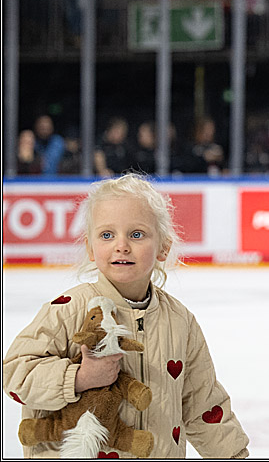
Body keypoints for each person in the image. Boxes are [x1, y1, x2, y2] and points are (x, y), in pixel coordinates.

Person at [2, 173, 249, 458]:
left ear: (163, 247)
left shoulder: (180, 321)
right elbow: (15, 375)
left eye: (136, 234)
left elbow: (203, 403)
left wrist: (233, 455)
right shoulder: (70, 308)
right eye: (107, 235)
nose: (122, 245)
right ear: (90, 248)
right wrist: (78, 377)